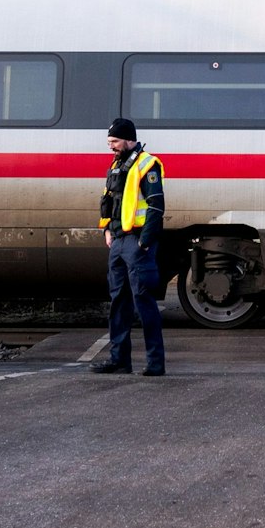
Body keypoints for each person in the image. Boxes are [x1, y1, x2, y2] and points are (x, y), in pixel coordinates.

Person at [91, 117, 167, 376]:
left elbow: (156, 206)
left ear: (128, 139)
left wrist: (145, 241)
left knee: (143, 300)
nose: (110, 146)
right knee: (118, 302)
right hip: (119, 241)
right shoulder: (117, 164)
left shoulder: (148, 165)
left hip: (137, 242)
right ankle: (119, 360)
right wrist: (107, 230)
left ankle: (155, 363)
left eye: (114, 141)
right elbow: (108, 201)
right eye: (109, 142)